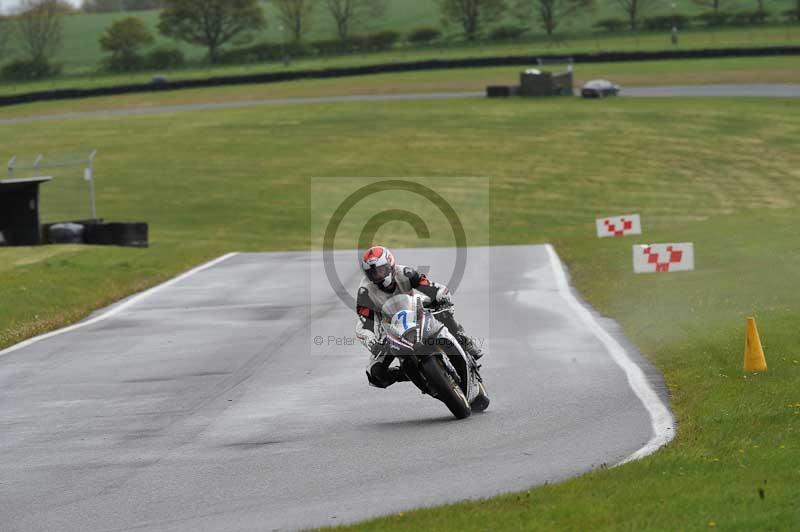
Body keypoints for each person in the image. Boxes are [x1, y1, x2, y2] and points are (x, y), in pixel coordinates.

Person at [355, 245, 483, 388]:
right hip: (388, 329)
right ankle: (411, 373)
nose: (377, 276)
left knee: (443, 312)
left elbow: (431, 287)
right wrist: (372, 341)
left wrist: (441, 296)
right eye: (372, 273)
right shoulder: (364, 291)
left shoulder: (405, 273)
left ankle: (462, 339)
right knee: (375, 375)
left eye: (380, 270)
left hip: (415, 310)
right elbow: (364, 323)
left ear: (390, 264)